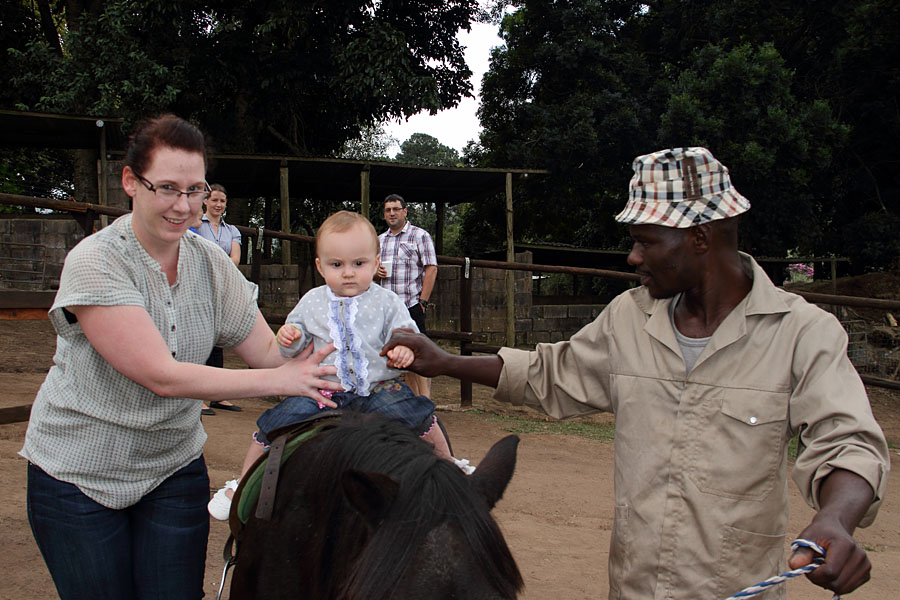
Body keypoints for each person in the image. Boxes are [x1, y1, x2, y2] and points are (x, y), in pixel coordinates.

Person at [382, 148, 890, 598]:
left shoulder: (801, 332)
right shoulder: (629, 317)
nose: (633, 257)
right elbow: (551, 374)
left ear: (699, 238)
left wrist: (836, 518)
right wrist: (446, 362)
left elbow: (848, 442)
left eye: (646, 241)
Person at [20, 114, 341, 600]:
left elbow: (272, 355)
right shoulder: (96, 260)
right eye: (167, 188)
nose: (184, 206)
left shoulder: (210, 263)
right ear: (131, 182)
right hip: (78, 474)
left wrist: (331, 328)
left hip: (171, 466)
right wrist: (293, 380)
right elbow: (162, 376)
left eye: (195, 190)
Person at [208, 210, 460, 521]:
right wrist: (290, 337)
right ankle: (243, 482)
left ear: (376, 261)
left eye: (359, 263)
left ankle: (450, 467)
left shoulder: (387, 301)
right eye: (336, 265)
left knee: (418, 413)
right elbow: (294, 344)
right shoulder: (312, 301)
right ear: (320, 266)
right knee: (275, 422)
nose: (349, 273)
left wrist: (404, 351)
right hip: (323, 388)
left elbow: (405, 333)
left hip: (377, 388)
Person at [376, 193, 438, 398]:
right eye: (388, 210)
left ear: (405, 211)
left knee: (419, 354)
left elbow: (431, 268)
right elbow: (368, 270)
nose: (392, 213)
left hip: (411, 304)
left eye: (395, 209)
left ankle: (426, 401)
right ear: (384, 214)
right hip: (386, 308)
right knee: (398, 355)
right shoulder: (379, 241)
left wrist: (423, 302)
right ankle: (413, 401)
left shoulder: (420, 236)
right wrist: (375, 272)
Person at [195, 183, 243, 413]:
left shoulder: (232, 230)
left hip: (221, 288)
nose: (218, 204)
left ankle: (218, 395)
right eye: (214, 200)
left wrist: (215, 266)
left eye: (222, 201)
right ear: (205, 200)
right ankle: (198, 396)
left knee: (218, 338)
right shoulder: (196, 225)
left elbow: (235, 259)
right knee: (200, 336)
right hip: (198, 286)